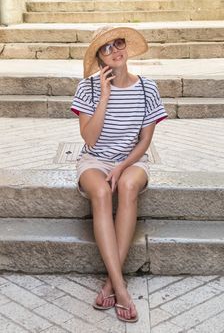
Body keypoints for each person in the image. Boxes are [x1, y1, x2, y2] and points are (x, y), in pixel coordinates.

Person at [71, 25, 168, 323]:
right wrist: (104, 95)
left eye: (118, 44)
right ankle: (121, 287)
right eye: (106, 47)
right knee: (100, 192)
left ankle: (112, 284)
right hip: (94, 160)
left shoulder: (146, 88)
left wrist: (122, 165)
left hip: (133, 161)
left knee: (126, 187)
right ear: (100, 56)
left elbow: (145, 141)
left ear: (126, 47)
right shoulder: (87, 87)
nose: (115, 51)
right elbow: (89, 138)